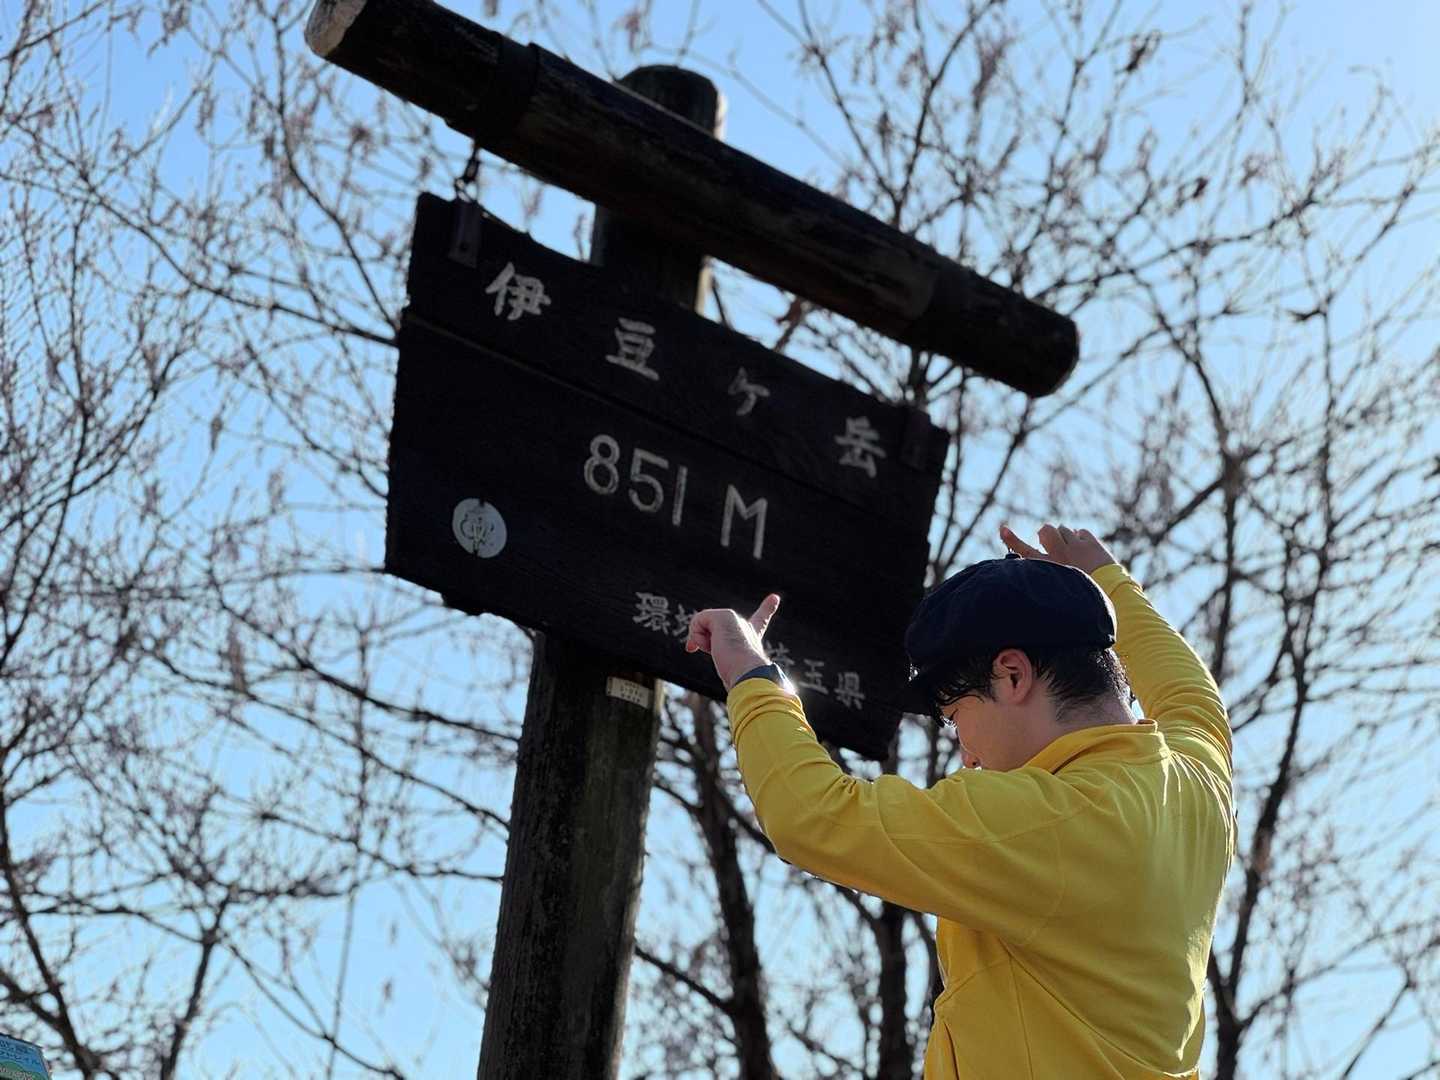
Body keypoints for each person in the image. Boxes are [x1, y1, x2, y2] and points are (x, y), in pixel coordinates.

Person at [685, 523, 1234, 1078]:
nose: (966, 754)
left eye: (955, 717)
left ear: (1012, 674)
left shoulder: (1039, 820)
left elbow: (811, 815)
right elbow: (1191, 696)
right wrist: (1108, 584)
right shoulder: (1197, 783)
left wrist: (751, 674)